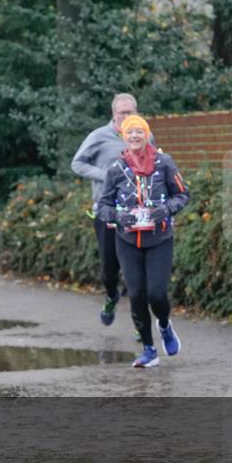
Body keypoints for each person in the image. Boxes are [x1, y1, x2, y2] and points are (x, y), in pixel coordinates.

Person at [97, 115, 189, 368]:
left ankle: (164, 325)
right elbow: (101, 206)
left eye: (139, 131)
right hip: (127, 240)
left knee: (157, 293)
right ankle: (149, 350)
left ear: (147, 135)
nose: (135, 136)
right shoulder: (115, 169)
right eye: (130, 132)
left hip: (159, 238)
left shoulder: (164, 163)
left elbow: (183, 194)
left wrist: (167, 209)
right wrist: (117, 215)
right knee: (136, 294)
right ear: (123, 137)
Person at [72, 93, 156, 336]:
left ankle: (142, 327)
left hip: (138, 213)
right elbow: (77, 163)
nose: (128, 117)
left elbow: (155, 167)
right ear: (114, 114)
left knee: (137, 271)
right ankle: (111, 295)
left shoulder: (146, 136)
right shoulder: (99, 137)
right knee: (110, 267)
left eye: (132, 112)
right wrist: (105, 175)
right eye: (123, 113)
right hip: (107, 212)